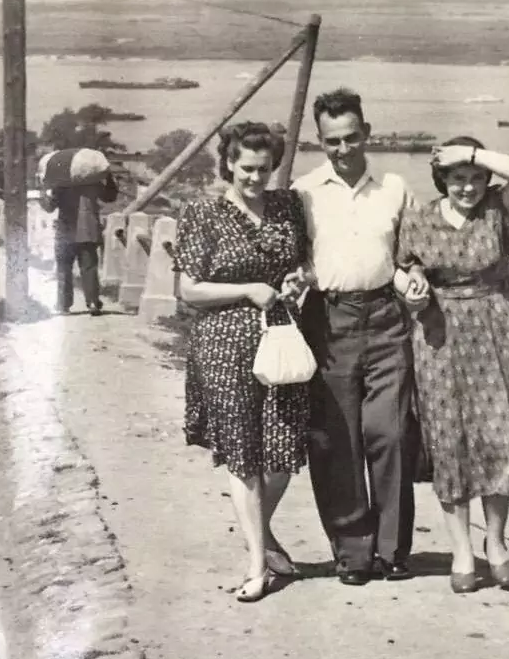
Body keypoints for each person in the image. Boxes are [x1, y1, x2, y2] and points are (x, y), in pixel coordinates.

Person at [292, 88, 429, 586]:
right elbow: (298, 258)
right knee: (337, 441)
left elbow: (412, 252)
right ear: (320, 142)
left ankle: (392, 549)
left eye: (351, 138)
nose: (343, 149)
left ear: (366, 133)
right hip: (328, 323)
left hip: (387, 319)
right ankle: (353, 552)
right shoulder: (304, 191)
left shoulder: (394, 187)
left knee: (390, 433)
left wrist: (412, 277)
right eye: (332, 141)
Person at [171, 121, 310, 603]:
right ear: (228, 163)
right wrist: (248, 290)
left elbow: (303, 263)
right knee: (243, 453)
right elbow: (188, 289)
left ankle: (262, 533)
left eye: (264, 169)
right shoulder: (202, 214)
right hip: (223, 343)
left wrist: (295, 280)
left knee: (285, 448)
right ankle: (257, 565)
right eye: (246, 168)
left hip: (281, 338)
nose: (255, 178)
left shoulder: (288, 207)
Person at [395, 136, 509, 594]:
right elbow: (407, 267)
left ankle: (495, 543)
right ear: (442, 179)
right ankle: (462, 551)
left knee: (498, 435)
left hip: (495, 329)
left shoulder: (499, 211)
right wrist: (413, 283)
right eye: (458, 178)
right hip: (439, 332)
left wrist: (470, 154)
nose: (468, 187)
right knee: (449, 440)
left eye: (476, 178)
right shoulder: (419, 218)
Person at [39, 166, 119, 315]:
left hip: (66, 232)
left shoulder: (61, 185)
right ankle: (93, 303)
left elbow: (49, 207)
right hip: (88, 231)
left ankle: (64, 305)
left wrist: (42, 191)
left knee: (64, 268)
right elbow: (110, 197)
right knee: (89, 268)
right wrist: (109, 178)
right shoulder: (93, 184)